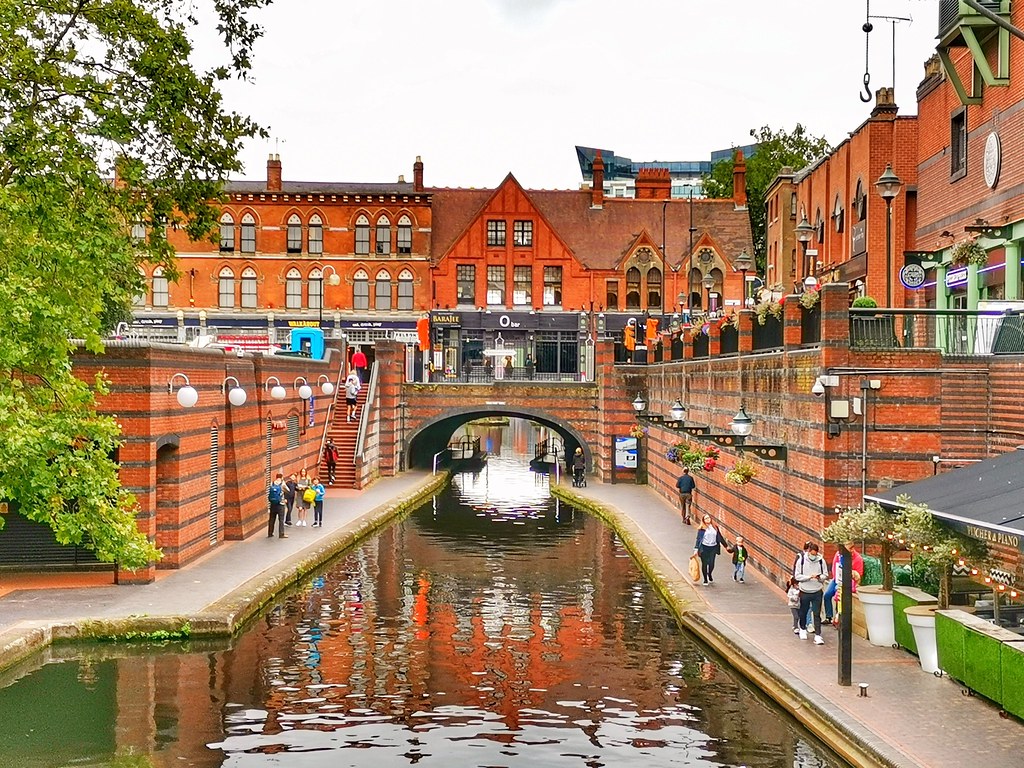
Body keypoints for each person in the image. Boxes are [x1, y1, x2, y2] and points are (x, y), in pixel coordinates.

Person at [794, 542, 829, 644]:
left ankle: (818, 635)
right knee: (803, 611)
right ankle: (803, 628)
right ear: (809, 552)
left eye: (815, 554)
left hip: (817, 590)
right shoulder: (801, 561)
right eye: (812, 554)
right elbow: (797, 576)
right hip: (805, 591)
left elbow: (825, 574)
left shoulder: (821, 561)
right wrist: (808, 577)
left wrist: (819, 577)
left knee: (817, 613)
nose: (813, 556)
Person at [824, 540, 864, 624]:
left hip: (848, 581)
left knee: (837, 593)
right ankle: (829, 616)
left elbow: (859, 574)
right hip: (837, 579)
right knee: (827, 595)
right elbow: (835, 567)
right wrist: (836, 579)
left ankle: (838, 617)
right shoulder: (838, 555)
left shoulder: (858, 559)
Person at [693, 514, 723, 585]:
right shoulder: (702, 529)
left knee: (712, 563)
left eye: (709, 517)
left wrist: (726, 546)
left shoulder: (715, 527)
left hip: (713, 547)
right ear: (703, 520)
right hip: (704, 547)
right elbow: (698, 539)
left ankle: (709, 573)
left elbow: (719, 537)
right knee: (705, 563)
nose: (708, 519)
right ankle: (705, 579)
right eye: (706, 518)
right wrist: (696, 549)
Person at [267, 473, 287, 538]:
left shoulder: (271, 483)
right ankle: (281, 534)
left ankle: (270, 533)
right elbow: (288, 490)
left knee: (272, 519)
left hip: (273, 504)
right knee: (281, 519)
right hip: (280, 504)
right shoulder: (282, 484)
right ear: (282, 477)